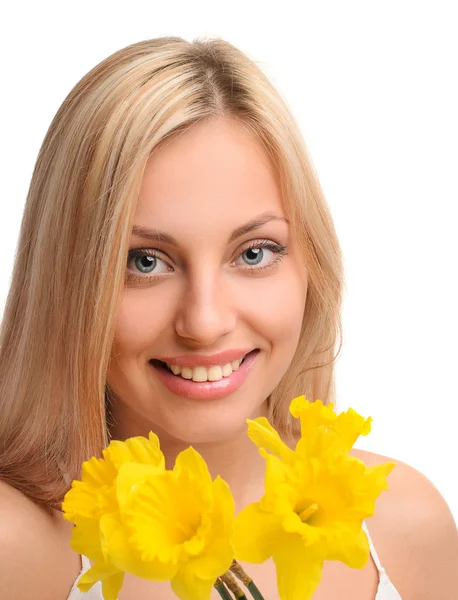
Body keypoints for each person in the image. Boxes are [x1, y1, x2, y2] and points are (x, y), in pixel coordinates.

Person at [0, 36, 457, 600]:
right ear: (68, 285)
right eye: (145, 261)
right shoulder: (13, 548)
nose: (205, 321)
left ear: (313, 264)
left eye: (254, 253)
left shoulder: (405, 524)